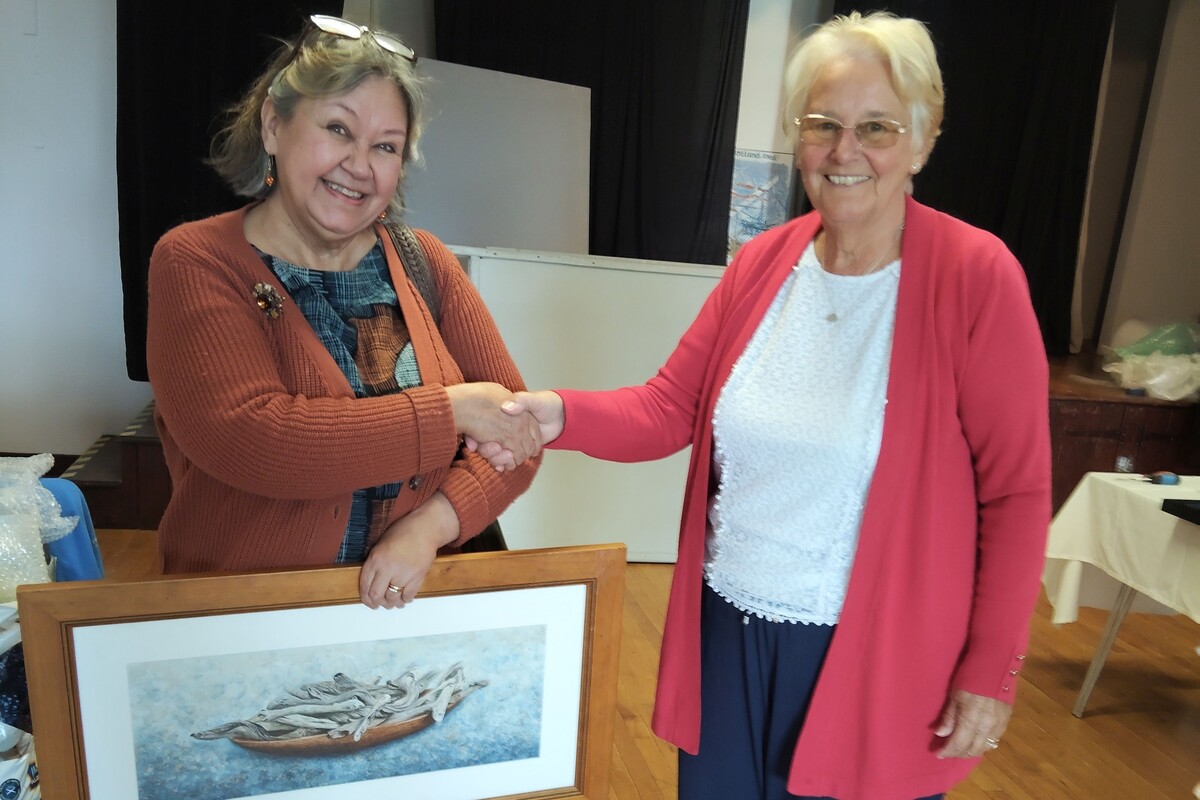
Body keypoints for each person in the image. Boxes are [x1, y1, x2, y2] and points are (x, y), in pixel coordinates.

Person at [479, 11, 1051, 800]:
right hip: (727, 636)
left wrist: (992, 668)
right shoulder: (764, 262)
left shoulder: (976, 277)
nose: (844, 152)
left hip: (876, 656)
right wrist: (555, 414)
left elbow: (1017, 495)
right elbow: (667, 408)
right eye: (823, 125)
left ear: (923, 139)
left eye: (876, 127)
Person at [146, 15, 540, 610]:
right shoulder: (196, 260)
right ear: (273, 125)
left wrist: (431, 526)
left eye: (385, 146)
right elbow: (255, 441)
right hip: (244, 620)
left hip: (407, 613)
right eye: (338, 129)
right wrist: (452, 412)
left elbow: (520, 435)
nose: (360, 164)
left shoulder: (424, 262)